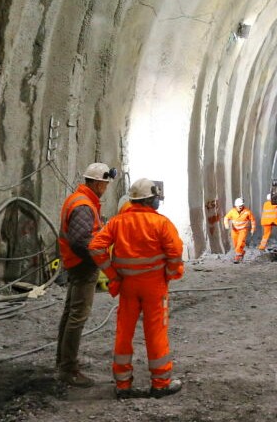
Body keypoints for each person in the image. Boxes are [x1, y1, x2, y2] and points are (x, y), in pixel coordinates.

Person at [89, 178, 185, 399]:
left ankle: (123, 385)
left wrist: (113, 275)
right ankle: (160, 383)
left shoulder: (117, 222)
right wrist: (169, 275)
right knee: (156, 333)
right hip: (154, 286)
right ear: (150, 200)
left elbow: (95, 247)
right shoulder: (161, 223)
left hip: (128, 286)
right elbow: (175, 253)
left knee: (124, 333)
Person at [55, 162, 117, 387]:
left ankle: (62, 362)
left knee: (70, 312)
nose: (106, 187)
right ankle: (68, 369)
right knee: (77, 316)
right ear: (97, 183)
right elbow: (81, 241)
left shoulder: (80, 199)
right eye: (105, 183)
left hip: (75, 263)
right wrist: (102, 259)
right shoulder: (83, 204)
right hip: (82, 265)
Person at [223, 197, 256, 263]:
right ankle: (242, 253)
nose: (240, 206)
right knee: (236, 244)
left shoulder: (247, 212)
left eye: (241, 205)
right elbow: (226, 218)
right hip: (234, 230)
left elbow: (253, 220)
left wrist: (253, 229)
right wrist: (226, 225)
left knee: (240, 243)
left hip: (243, 230)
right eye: (239, 205)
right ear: (236, 205)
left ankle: (237, 257)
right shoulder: (232, 211)